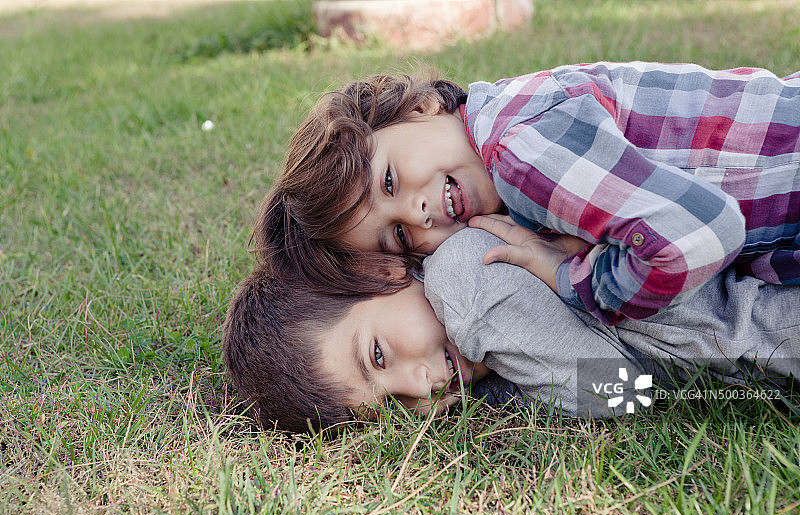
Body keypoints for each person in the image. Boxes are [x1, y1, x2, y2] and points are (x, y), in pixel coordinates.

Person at [254, 62, 800, 326]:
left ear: (418, 107)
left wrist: (572, 278)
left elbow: (697, 238)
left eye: (390, 181)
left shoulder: (519, 154)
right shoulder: (508, 112)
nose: (417, 213)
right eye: (398, 236)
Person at [223, 227, 800, 433]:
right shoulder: (480, 338)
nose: (421, 385)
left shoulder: (464, 285)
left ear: (378, 274)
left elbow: (624, 392)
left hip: (761, 324)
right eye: (395, 404)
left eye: (378, 355)